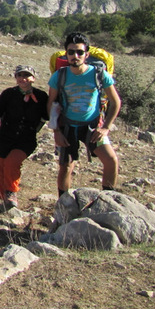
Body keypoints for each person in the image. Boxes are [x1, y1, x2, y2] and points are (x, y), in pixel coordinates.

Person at [47, 32, 120, 197]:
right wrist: (56, 131)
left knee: (111, 161)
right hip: (67, 126)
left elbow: (115, 102)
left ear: (86, 54)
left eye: (79, 52)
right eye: (71, 52)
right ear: (66, 54)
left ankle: (107, 200)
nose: (75, 56)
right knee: (65, 166)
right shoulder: (59, 75)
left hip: (93, 127)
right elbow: (51, 104)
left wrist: (106, 128)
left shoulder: (99, 74)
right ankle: (63, 204)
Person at [0, 65, 49, 209]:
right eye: (20, 75)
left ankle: (11, 192)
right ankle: (5, 200)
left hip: (26, 139)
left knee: (12, 162)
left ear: (33, 78)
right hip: (5, 137)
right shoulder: (8, 94)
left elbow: (47, 115)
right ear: (16, 78)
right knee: (3, 168)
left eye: (27, 75)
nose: (23, 78)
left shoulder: (41, 96)